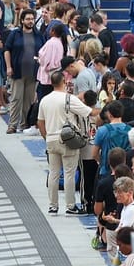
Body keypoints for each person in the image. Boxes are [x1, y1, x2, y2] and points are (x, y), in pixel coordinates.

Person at [39, 70, 96, 214]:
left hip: (51, 138)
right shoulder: (69, 99)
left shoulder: (45, 100)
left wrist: (46, 137)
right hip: (68, 139)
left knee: (53, 173)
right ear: (64, 82)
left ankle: (53, 205)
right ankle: (70, 206)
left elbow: (40, 122)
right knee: (69, 173)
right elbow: (88, 112)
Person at [4, 8, 43, 135]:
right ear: (22, 20)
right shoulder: (15, 34)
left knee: (29, 100)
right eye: (28, 19)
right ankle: (12, 125)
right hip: (18, 71)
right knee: (16, 98)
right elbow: (7, 50)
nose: (30, 21)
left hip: (33, 73)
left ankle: (24, 123)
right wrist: (9, 67)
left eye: (32, 19)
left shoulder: (38, 35)